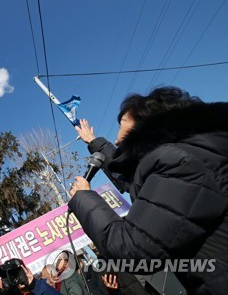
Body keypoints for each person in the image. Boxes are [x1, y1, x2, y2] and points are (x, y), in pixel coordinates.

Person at [68, 86, 228, 294]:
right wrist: (94, 142)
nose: (116, 140)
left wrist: (84, 198)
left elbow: (134, 249)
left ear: (146, 123)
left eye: (122, 124)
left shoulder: (181, 164)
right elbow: (132, 176)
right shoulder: (191, 154)